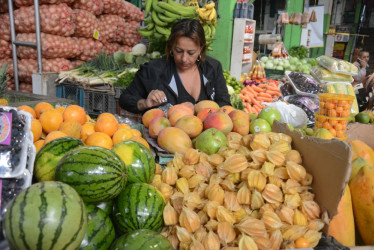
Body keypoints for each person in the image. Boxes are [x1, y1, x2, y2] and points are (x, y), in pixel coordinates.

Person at [119, 18, 231, 114]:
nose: (184, 59)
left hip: (207, 137)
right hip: (164, 136)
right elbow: (125, 99)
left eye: (191, 53)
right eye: (178, 51)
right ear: (171, 46)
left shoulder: (212, 68)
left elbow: (225, 104)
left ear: (201, 49)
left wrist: (198, 110)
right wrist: (145, 103)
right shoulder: (153, 70)